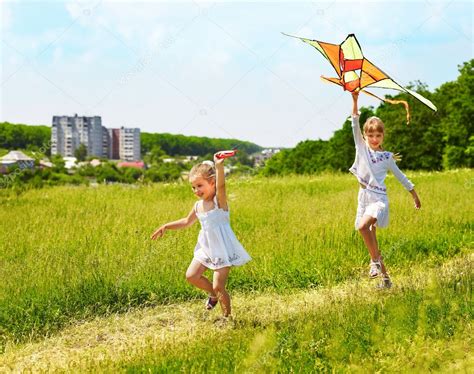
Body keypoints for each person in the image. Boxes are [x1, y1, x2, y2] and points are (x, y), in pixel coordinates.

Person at [151, 153, 251, 317]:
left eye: (199, 185)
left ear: (212, 183)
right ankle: (213, 294)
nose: (196, 190)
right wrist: (166, 226)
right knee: (191, 276)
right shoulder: (198, 206)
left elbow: (222, 187)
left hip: (222, 250)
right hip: (206, 248)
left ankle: (227, 317)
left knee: (220, 286)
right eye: (193, 187)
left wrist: (219, 166)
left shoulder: (219, 202)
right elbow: (186, 222)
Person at [350, 91, 421, 288]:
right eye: (370, 134)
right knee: (372, 241)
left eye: (378, 135)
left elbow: (401, 176)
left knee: (363, 227)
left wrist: (414, 194)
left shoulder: (387, 157)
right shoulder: (361, 148)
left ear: (383, 135)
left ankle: (374, 263)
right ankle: (386, 280)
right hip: (363, 198)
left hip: (379, 200)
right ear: (364, 135)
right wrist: (355, 100)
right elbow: (354, 122)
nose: (374, 138)